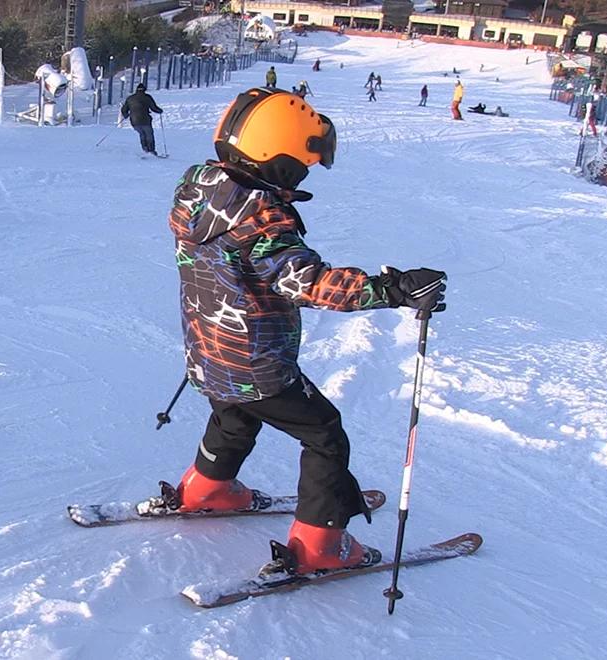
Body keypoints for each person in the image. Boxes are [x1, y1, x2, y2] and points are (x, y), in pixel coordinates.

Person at [167, 87, 447, 575]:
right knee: (324, 434)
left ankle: (207, 486)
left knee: (235, 414)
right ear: (278, 155)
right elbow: (307, 282)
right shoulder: (261, 218)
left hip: (207, 353)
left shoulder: (199, 188)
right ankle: (320, 542)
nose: (307, 170)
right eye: (303, 160)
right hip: (255, 361)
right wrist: (393, 289)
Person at [120, 82, 163, 155]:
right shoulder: (147, 97)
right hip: (145, 120)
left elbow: (124, 109)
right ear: (144, 90)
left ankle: (145, 148)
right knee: (149, 134)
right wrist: (160, 111)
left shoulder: (130, 98)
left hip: (134, 121)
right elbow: (153, 108)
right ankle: (151, 150)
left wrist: (126, 115)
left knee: (142, 134)